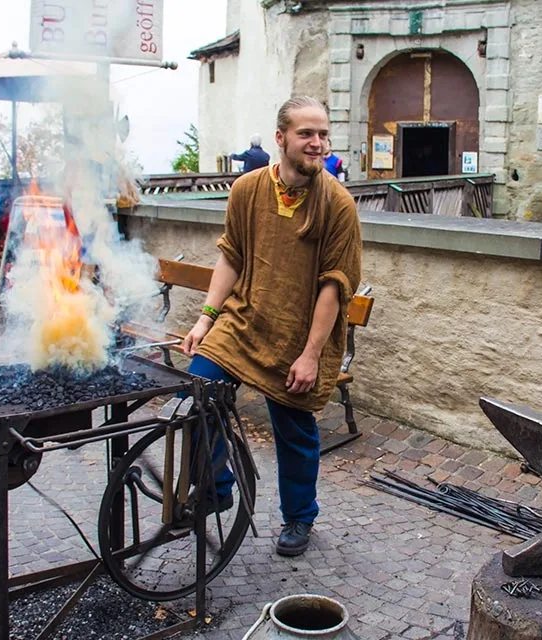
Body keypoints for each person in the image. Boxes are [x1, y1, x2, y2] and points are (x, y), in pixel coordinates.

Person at [182, 96, 362, 557]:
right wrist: (206, 319)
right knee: (198, 393)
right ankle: (219, 485)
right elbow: (231, 256)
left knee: (294, 429)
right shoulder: (247, 189)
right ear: (281, 138)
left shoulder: (337, 205)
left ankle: (300, 518)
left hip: (300, 335)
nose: (317, 143)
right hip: (243, 322)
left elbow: (334, 287)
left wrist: (310, 354)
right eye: (306, 134)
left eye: (323, 134)